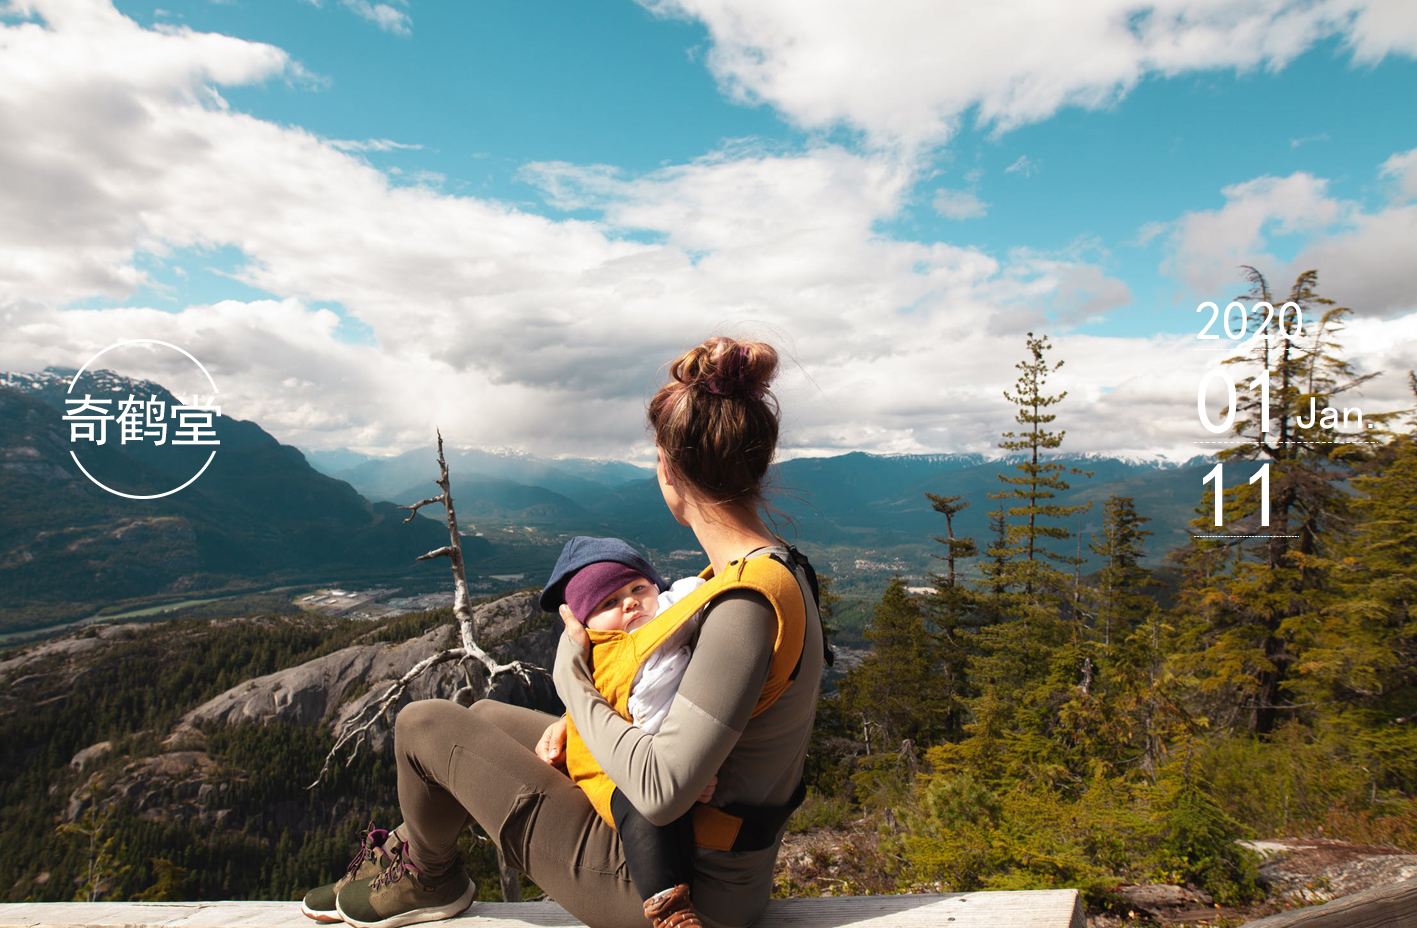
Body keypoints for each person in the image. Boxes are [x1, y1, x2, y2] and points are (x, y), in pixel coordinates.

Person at [302, 336, 825, 928]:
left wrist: (570, 678)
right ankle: (400, 861)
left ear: (668, 469)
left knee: (423, 724)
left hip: (677, 887)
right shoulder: (770, 571)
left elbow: (660, 790)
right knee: (489, 717)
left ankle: (427, 875)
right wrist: (576, 726)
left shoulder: (744, 606)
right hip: (706, 857)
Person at [535, 535, 714, 927]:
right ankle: (668, 910)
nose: (630, 602)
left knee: (673, 819)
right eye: (608, 603)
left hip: (675, 754)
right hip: (615, 768)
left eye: (638, 589)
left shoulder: (673, 613)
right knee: (643, 815)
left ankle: (686, 895)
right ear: (586, 625)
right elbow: (601, 707)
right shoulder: (604, 655)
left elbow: (698, 592)